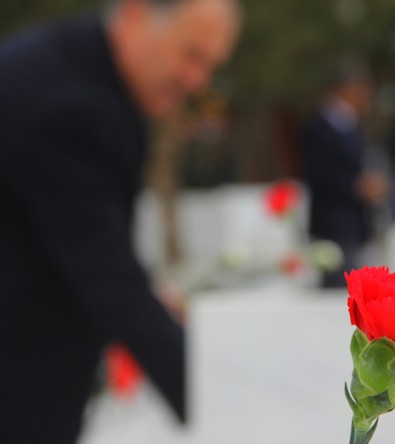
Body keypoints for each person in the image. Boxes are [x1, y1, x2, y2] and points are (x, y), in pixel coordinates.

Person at [0, 0, 239, 442]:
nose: (197, 81)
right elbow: (108, 278)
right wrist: (230, 409)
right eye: (190, 55)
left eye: (210, 65)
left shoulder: (81, 71)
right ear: (134, 15)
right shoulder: (63, 102)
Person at [302, 63, 389, 288]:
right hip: (333, 224)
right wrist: (356, 186)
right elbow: (318, 173)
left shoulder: (352, 124)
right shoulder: (319, 126)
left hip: (354, 223)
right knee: (338, 289)